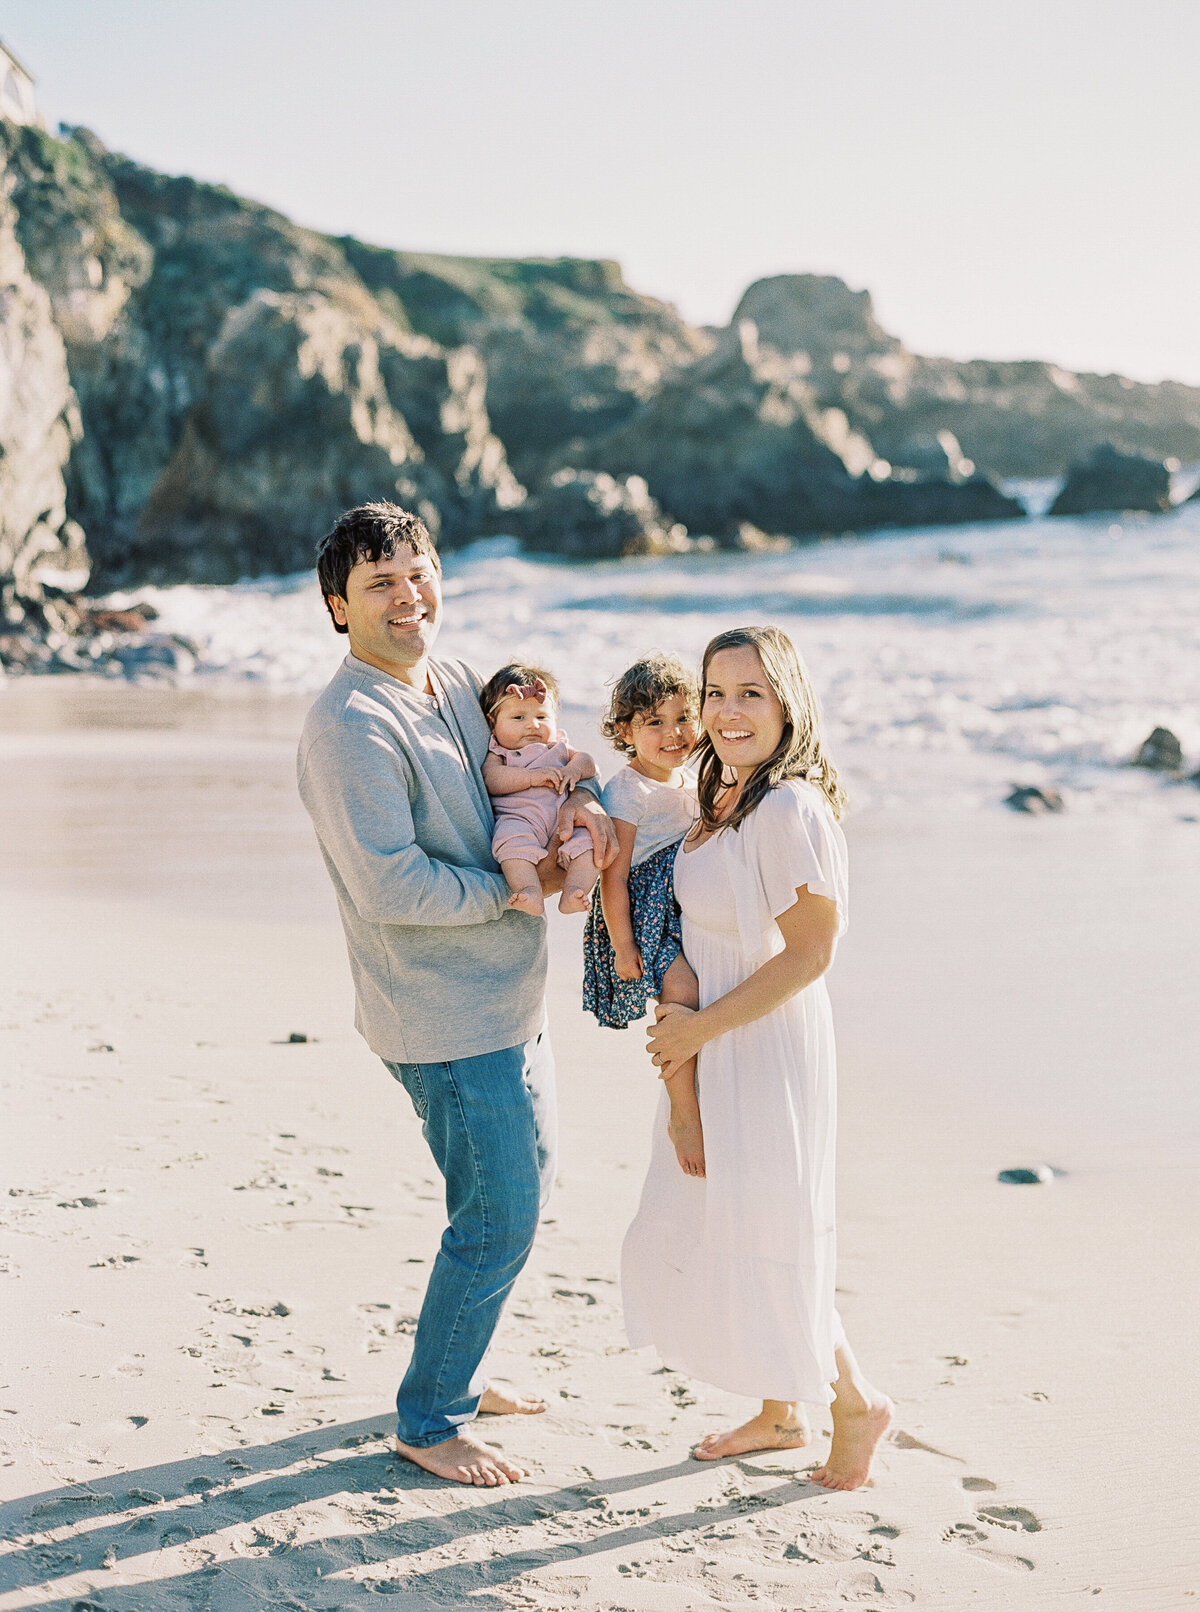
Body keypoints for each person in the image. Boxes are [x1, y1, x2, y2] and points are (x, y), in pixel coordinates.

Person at [296, 501, 617, 1488]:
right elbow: (387, 883)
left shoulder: (458, 682)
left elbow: (527, 767)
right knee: (498, 1215)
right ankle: (430, 1416)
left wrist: (587, 802)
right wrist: (519, 894)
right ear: (338, 607)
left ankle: (460, 1370)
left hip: (504, 995)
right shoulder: (349, 725)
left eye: (419, 572)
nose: (409, 595)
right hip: (442, 1015)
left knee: (523, 1191)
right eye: (380, 582)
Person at [622, 625, 893, 1489]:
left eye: (752, 693)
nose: (729, 712)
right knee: (728, 1220)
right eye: (715, 692)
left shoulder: (788, 809)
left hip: (767, 1044)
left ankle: (856, 1404)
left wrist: (700, 1033)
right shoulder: (721, 798)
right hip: (716, 1045)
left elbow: (811, 954)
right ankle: (783, 1413)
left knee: (773, 1228)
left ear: (788, 704)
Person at [582, 654, 705, 1176]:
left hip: (681, 902)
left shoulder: (691, 777)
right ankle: (683, 1109)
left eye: (682, 718)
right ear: (625, 731)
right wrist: (624, 944)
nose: (672, 733)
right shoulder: (628, 790)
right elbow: (614, 875)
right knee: (681, 990)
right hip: (643, 908)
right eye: (654, 722)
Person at [480, 662, 601, 917]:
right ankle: (530, 890)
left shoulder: (558, 747)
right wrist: (531, 777)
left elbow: (588, 761)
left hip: (564, 820)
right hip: (521, 819)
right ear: (493, 722)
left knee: (588, 844)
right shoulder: (500, 752)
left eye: (542, 717)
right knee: (511, 846)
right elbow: (492, 779)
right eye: (518, 717)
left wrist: (574, 770)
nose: (533, 725)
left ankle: (575, 890)